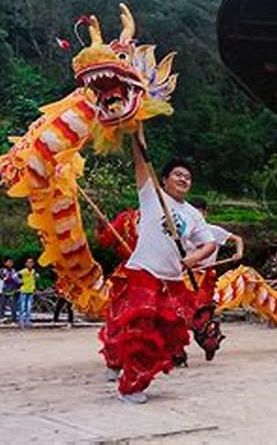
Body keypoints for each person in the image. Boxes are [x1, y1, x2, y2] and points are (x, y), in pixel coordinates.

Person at [99, 127, 219, 404]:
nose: (183, 179)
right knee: (140, 331)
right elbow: (141, 159)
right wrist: (136, 130)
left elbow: (209, 244)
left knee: (168, 336)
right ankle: (130, 385)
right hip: (144, 272)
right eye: (178, 174)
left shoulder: (192, 214)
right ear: (164, 180)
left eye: (187, 176)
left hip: (173, 281)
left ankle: (130, 369)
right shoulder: (152, 196)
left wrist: (191, 259)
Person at [186, 199, 244, 363]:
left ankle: (209, 343)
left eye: (199, 213)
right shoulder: (182, 232)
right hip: (185, 277)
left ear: (205, 213)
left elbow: (237, 239)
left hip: (205, 279)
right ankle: (177, 352)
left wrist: (238, 253)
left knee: (203, 315)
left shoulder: (213, 231)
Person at [17, 258, 38, 328]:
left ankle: (28, 321)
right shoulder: (23, 271)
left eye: (31, 263)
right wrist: (19, 282)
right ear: (26, 264)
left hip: (30, 291)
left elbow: (34, 279)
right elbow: (15, 276)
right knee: (23, 307)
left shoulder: (33, 271)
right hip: (23, 291)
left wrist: (34, 287)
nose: (30, 264)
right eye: (29, 262)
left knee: (29, 307)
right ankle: (22, 321)